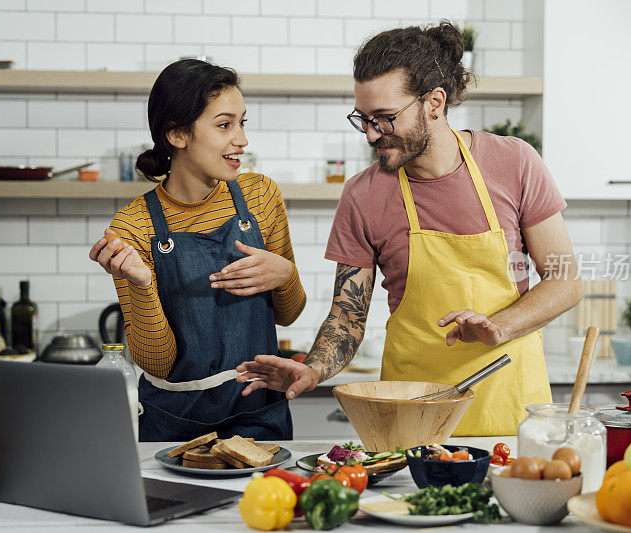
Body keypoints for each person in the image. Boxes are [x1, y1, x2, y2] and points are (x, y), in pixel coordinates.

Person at [235, 21, 583, 436]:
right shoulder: (363, 195)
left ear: (434, 102)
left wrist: (499, 327)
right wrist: (311, 369)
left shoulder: (515, 163)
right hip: (411, 416)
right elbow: (347, 315)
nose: (370, 134)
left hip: (509, 410)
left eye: (384, 118)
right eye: (362, 119)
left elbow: (566, 280)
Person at [89, 60, 306, 442]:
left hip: (259, 413)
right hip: (175, 425)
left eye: (242, 122)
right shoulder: (132, 228)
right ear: (177, 134)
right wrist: (140, 286)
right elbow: (158, 361)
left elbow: (289, 315)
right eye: (225, 125)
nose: (241, 140)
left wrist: (284, 274)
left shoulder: (260, 196)